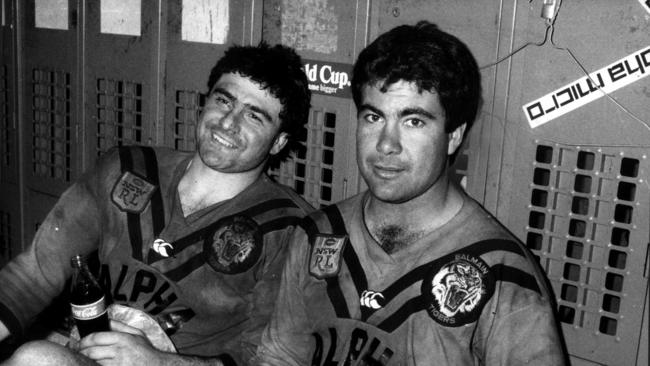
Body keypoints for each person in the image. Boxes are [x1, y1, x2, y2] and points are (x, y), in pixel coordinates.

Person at [255, 21, 567, 365]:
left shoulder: (501, 272)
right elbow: (280, 356)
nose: (387, 145)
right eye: (373, 117)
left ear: (453, 136)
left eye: (414, 121)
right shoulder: (318, 234)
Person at [0, 42, 313, 365]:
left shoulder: (289, 227)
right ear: (205, 104)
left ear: (278, 142)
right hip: (89, 357)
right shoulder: (126, 168)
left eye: (253, 116)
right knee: (37, 359)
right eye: (223, 101)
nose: (228, 123)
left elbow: (274, 360)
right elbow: (34, 273)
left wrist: (161, 363)